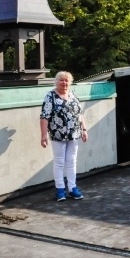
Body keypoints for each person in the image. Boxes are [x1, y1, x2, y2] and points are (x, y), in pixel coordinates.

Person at [40, 71, 88, 201]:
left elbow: (80, 114)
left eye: (66, 80)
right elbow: (44, 116)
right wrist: (43, 135)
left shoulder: (73, 95)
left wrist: (84, 129)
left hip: (74, 134)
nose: (64, 83)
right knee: (59, 162)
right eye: (61, 80)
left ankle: (72, 188)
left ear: (70, 82)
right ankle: (60, 189)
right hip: (58, 135)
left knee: (71, 161)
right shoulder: (50, 96)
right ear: (56, 82)